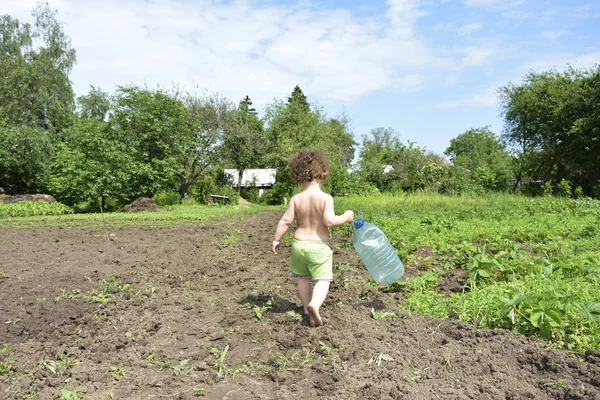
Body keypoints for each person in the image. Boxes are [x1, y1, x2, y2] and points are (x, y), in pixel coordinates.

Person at [272, 149, 354, 327]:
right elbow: (330, 221)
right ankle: (314, 305)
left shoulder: (296, 199)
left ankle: (305, 307)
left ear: (297, 175)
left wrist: (276, 239)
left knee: (303, 279)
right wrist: (347, 216)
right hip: (318, 246)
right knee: (322, 279)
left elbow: (286, 221)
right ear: (323, 173)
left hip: (299, 246)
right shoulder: (325, 198)